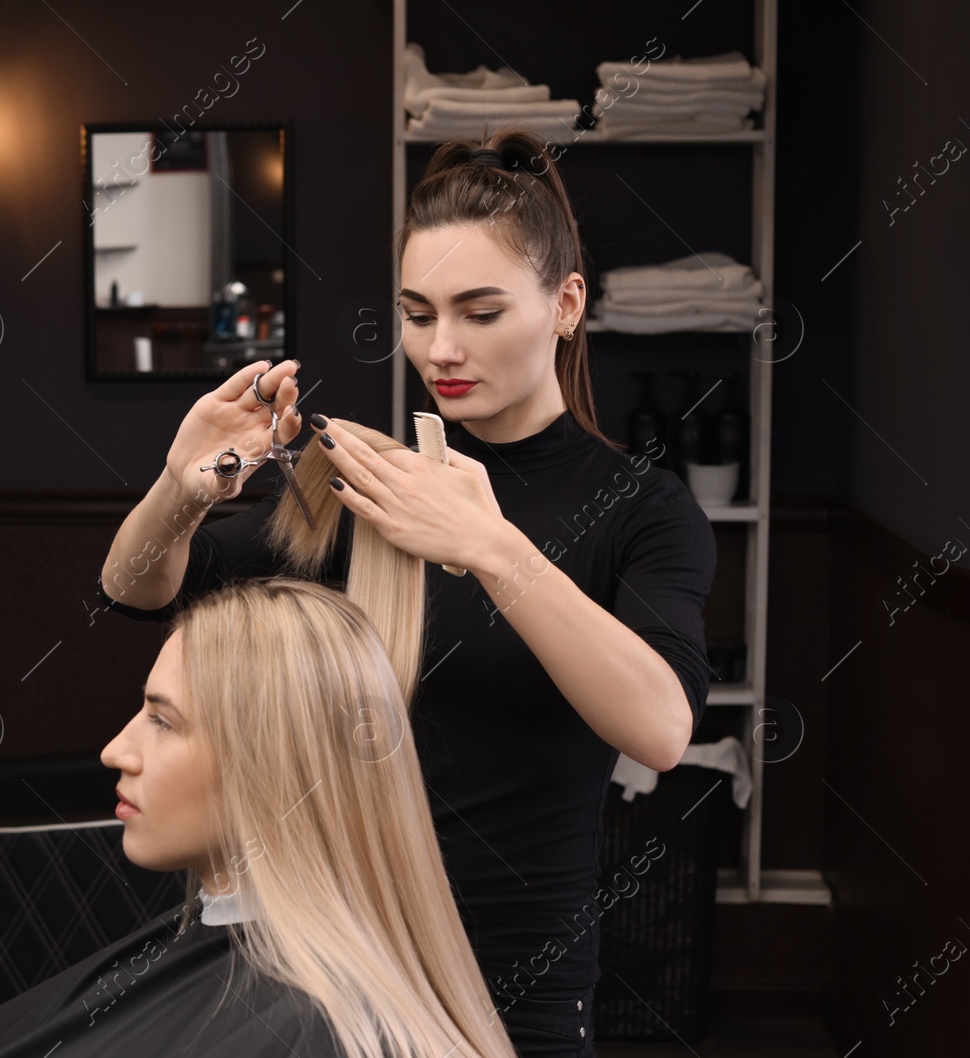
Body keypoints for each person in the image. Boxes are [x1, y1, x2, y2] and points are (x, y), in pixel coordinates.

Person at [96, 125, 718, 1057]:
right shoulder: (362, 477)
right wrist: (178, 494)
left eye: (480, 311)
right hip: (335, 964)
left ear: (566, 304)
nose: (442, 347)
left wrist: (495, 552)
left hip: (518, 979)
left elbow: (662, 729)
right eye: (418, 314)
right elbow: (137, 591)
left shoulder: (642, 511)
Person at [0, 571, 518, 1058]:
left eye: (163, 720)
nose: (114, 750)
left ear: (273, 763)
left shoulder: (309, 1031)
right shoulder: (240, 960)